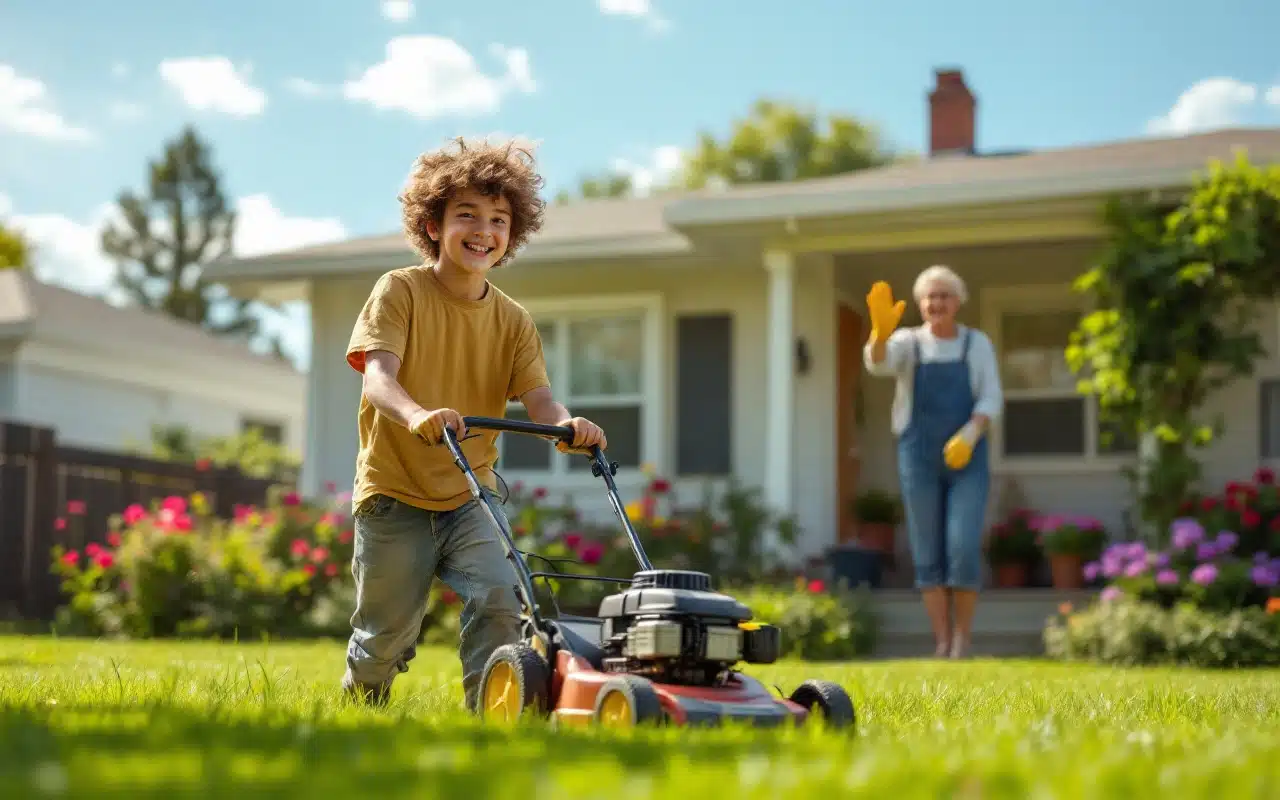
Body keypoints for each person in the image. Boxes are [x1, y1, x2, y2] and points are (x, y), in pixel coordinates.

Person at [341, 137, 607, 709]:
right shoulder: (400, 290)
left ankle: (489, 717)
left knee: (501, 598)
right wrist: (418, 416)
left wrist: (568, 426)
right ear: (433, 225)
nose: (483, 229)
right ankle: (360, 709)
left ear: (512, 234)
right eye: (467, 215)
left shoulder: (513, 320)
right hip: (393, 491)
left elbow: (540, 403)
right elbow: (377, 378)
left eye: (498, 219)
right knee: (385, 637)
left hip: (470, 493)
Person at [863, 265, 1003, 659]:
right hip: (918, 456)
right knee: (926, 550)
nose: (936, 303)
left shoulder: (976, 344)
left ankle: (963, 640)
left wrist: (970, 434)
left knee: (962, 545)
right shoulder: (907, 341)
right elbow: (878, 363)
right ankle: (941, 641)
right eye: (929, 296)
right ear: (920, 304)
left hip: (967, 459)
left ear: (958, 302)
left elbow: (991, 396)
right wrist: (879, 333)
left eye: (944, 295)